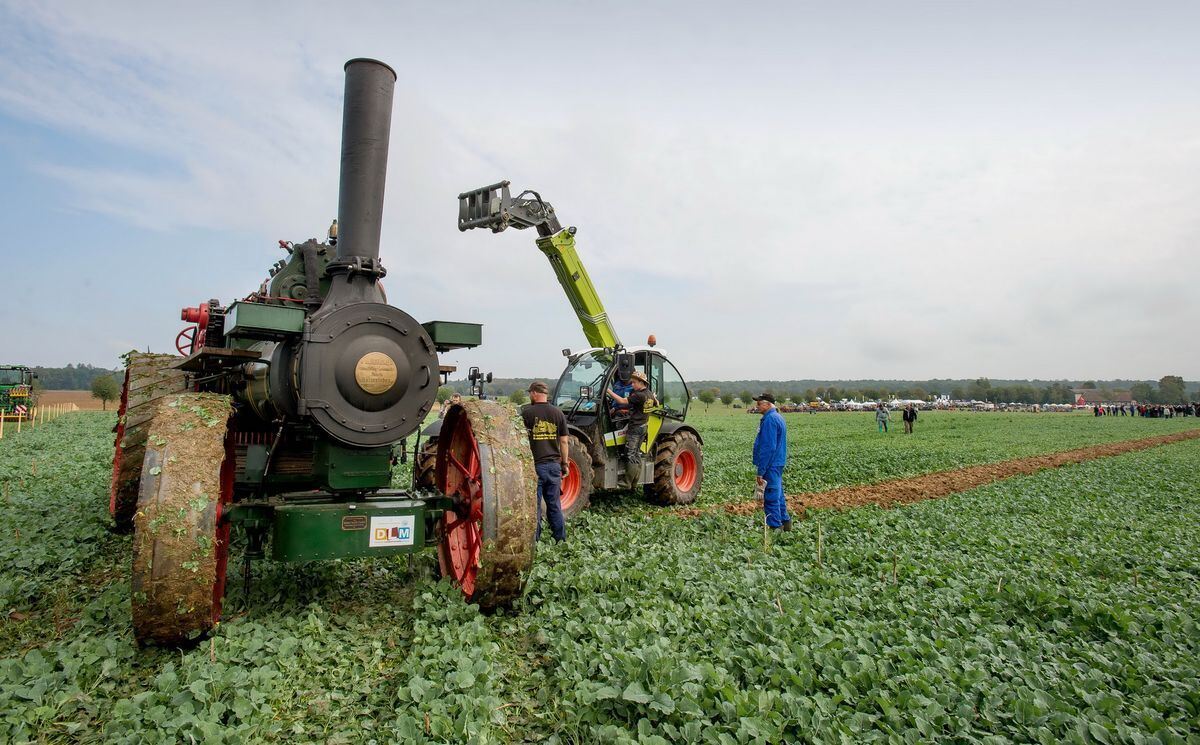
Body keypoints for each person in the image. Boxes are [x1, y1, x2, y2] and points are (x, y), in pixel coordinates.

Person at [521, 381, 568, 542]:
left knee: (535, 506)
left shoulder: (526, 413)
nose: (529, 396)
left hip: (536, 466)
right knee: (554, 505)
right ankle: (560, 539)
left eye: (530, 393)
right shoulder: (558, 413)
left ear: (534, 393)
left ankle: (535, 541)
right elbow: (564, 442)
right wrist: (565, 463)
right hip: (554, 466)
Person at [607, 370, 656, 489]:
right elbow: (656, 402)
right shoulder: (649, 394)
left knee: (630, 454)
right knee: (636, 454)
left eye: (634, 382)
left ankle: (627, 482)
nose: (632, 385)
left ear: (641, 382)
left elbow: (622, 401)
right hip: (643, 427)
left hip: (634, 429)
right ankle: (634, 482)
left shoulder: (638, 395)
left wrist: (608, 391)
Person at [752, 393, 790, 530]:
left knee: (771, 497)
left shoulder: (770, 420)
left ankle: (775, 528)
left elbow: (768, 447)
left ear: (768, 404)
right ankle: (786, 524)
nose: (757, 406)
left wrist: (761, 471)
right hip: (777, 463)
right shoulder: (778, 417)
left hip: (771, 464)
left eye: (759, 403)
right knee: (778, 496)